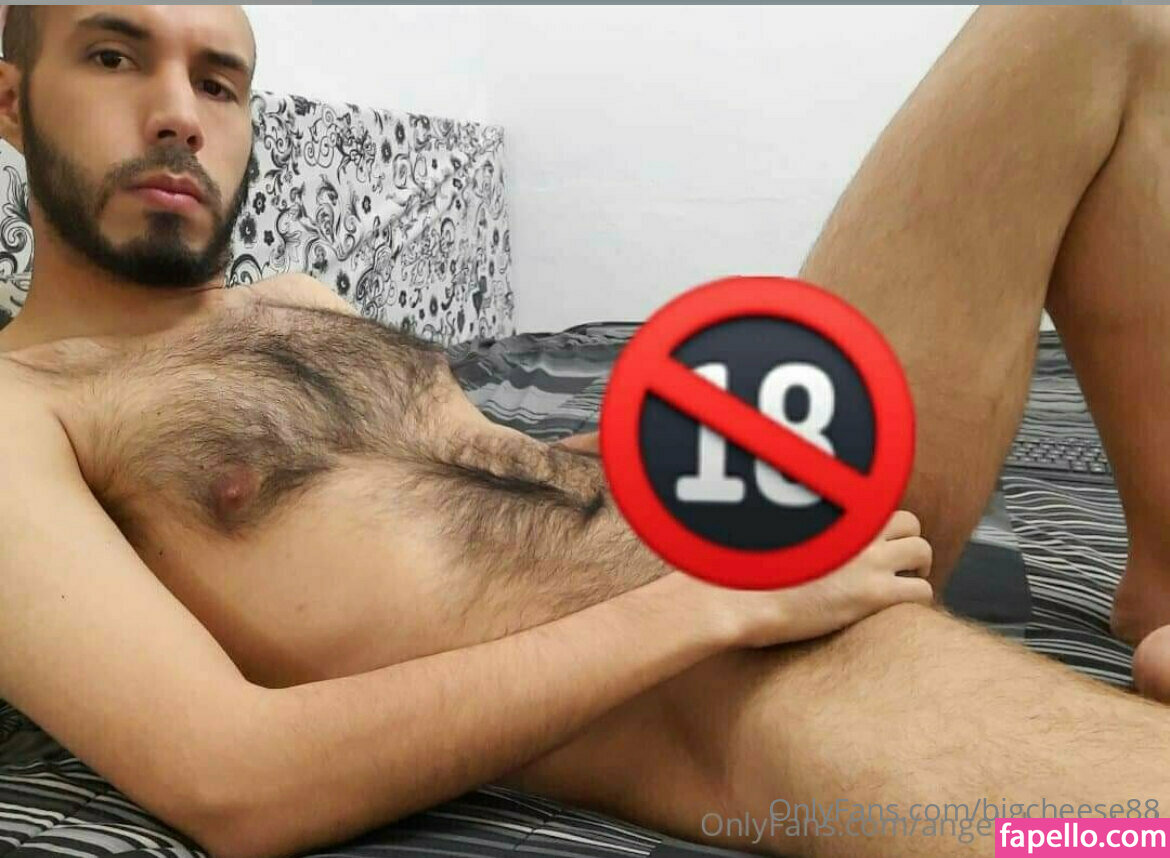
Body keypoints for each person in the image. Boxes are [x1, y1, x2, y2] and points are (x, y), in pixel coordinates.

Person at [0, 6, 1164, 858]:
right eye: (113, 57)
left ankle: (1156, 591)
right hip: (752, 677)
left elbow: (457, 486)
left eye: (220, 84)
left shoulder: (301, 302)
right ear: (10, 102)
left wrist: (676, 464)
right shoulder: (28, 406)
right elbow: (233, 780)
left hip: (753, 517)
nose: (179, 114)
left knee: (1099, 24)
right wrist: (714, 604)